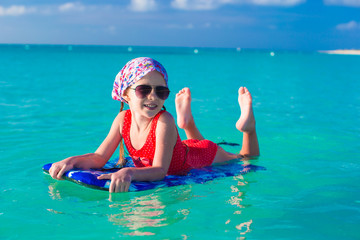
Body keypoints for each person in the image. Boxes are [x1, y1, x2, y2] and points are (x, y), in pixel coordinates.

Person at [49, 57, 259, 193]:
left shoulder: (164, 121)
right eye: (143, 90)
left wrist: (129, 172)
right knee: (193, 141)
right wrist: (71, 161)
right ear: (125, 94)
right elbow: (99, 157)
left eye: (161, 91)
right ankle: (186, 122)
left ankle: (248, 127)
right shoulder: (122, 120)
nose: (153, 97)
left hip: (199, 156)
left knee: (245, 157)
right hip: (184, 149)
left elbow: (159, 170)